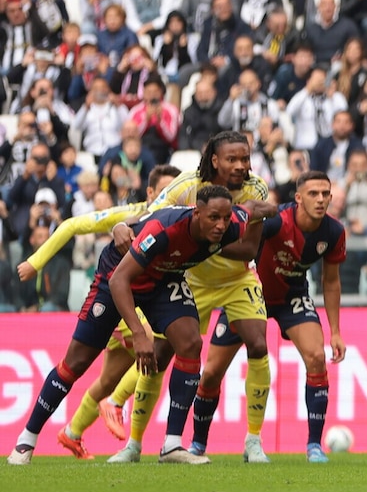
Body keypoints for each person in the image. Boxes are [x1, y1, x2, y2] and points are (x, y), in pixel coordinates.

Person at [7, 185, 272, 465]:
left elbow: (253, 209)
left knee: (190, 343)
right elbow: (120, 280)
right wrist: (139, 334)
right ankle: (27, 439)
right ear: (197, 213)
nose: (220, 225)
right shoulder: (162, 230)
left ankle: (171, 445)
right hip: (118, 278)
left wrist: (274, 209)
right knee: (76, 363)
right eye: (213, 218)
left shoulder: (231, 225)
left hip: (163, 280)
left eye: (225, 218)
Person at [107, 131, 273, 465]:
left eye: (245, 158)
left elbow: (250, 248)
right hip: (190, 276)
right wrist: (122, 226)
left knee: (258, 342)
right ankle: (134, 444)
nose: (241, 166)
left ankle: (253, 442)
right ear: (214, 160)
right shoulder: (186, 185)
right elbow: (151, 216)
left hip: (236, 277)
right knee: (159, 354)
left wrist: (206, 237)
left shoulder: (256, 189)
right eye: (232, 159)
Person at [14, 165, 181, 457]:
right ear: (152, 193)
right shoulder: (132, 213)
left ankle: (73, 432)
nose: (173, 198)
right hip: (119, 298)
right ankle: (111, 406)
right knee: (151, 352)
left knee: (107, 379)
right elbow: (71, 225)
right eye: (166, 192)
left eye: (176, 192)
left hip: (148, 299)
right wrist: (35, 262)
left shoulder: (183, 220)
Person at [199, 171, 346, 463]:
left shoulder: (333, 232)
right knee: (212, 372)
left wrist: (336, 332)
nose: (320, 200)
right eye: (314, 194)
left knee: (317, 357)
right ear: (298, 198)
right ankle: (196, 444)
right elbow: (241, 243)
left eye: (325, 194)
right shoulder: (276, 222)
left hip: (292, 297)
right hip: (249, 296)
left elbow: (331, 281)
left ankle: (314, 446)